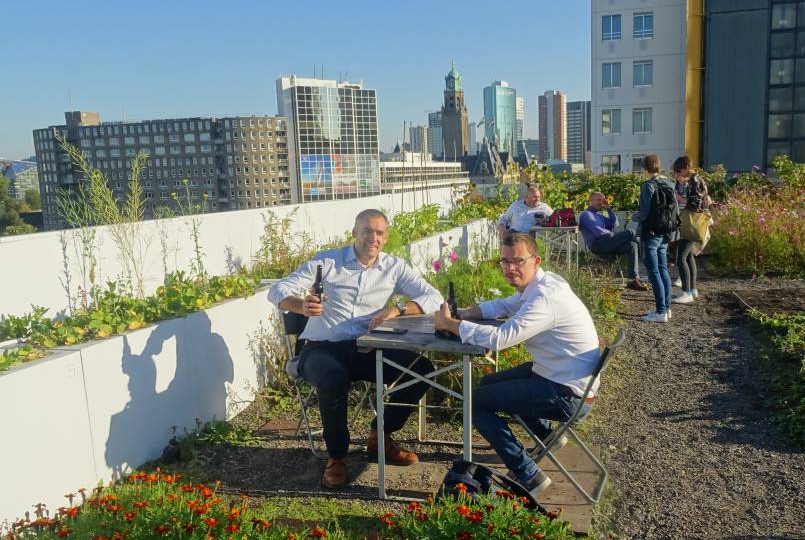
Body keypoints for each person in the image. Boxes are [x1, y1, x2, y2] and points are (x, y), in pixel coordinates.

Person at [268, 209, 443, 489]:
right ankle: (336, 457)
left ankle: (380, 436)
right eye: (366, 231)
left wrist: (397, 309)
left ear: (385, 238)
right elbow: (277, 290)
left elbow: (434, 296)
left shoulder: (393, 267)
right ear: (354, 233)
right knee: (333, 377)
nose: (372, 238)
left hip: (367, 348)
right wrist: (300, 305)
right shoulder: (328, 261)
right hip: (320, 348)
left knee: (421, 370)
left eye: (379, 233)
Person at [434, 232, 600, 495]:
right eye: (504, 261)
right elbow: (505, 305)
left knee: (473, 401)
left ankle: (527, 473)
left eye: (518, 261)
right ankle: (547, 437)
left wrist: (451, 325)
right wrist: (464, 314)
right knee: (489, 383)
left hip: (566, 394)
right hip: (561, 377)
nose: (510, 268)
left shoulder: (544, 299)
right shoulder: (543, 284)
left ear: (536, 261)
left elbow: (501, 338)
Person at [634, 154, 678, 323]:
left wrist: (634, 217)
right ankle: (666, 308)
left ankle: (660, 312)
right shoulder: (669, 183)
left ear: (645, 168)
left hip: (651, 232)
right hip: (665, 232)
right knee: (663, 269)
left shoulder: (648, 186)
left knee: (653, 272)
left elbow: (644, 213)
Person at [578, 192, 649, 291]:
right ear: (590, 201)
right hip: (598, 244)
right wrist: (614, 235)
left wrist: (608, 209)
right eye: (599, 200)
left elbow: (615, 224)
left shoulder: (599, 215)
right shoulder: (586, 214)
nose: (601, 202)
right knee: (630, 233)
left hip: (607, 242)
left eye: (603, 200)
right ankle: (649, 262)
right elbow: (599, 232)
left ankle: (632, 280)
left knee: (632, 245)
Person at [671, 156, 711, 304]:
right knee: (688, 257)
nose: (678, 173)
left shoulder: (696, 181)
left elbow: (695, 203)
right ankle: (692, 289)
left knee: (680, 257)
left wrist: (678, 197)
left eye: (679, 170)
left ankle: (686, 292)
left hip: (692, 222)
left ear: (687, 167)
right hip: (690, 222)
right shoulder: (690, 180)